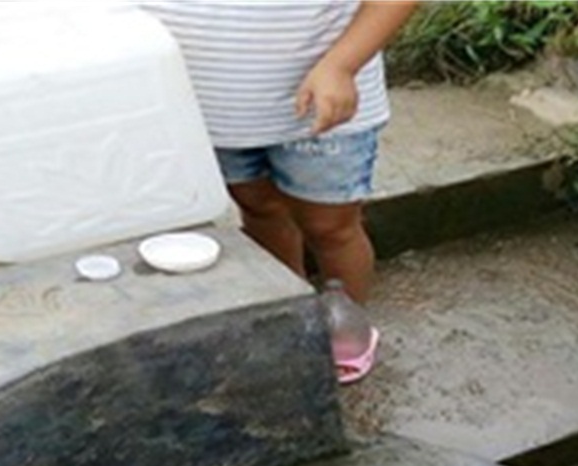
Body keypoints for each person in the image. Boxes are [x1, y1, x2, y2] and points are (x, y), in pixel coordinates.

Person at [142, 1, 419, 303]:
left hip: (320, 104)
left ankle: (347, 324)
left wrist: (342, 66)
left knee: (330, 227)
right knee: (258, 206)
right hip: (209, 104)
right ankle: (288, 309)